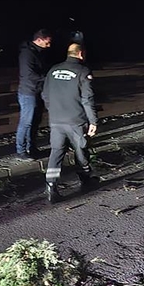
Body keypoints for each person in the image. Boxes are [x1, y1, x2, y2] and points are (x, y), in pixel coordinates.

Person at [41, 43, 98, 203]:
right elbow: (87, 99)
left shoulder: (53, 70)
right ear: (81, 54)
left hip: (56, 119)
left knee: (56, 152)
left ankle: (51, 186)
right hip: (76, 120)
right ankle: (85, 177)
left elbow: (45, 94)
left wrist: (53, 110)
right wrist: (93, 120)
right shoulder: (83, 71)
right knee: (81, 149)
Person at [15, 29, 52, 160]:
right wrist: (46, 77)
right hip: (28, 91)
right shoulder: (27, 54)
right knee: (26, 122)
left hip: (37, 90)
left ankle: (32, 148)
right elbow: (29, 74)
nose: (49, 45)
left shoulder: (38, 52)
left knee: (35, 121)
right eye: (47, 42)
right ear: (39, 40)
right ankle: (21, 150)